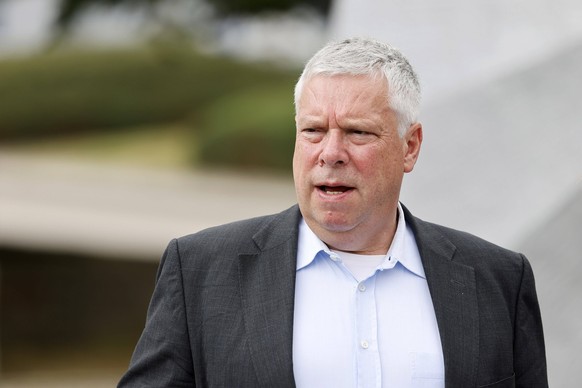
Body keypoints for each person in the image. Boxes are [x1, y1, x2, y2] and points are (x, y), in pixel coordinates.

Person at [118, 37, 547, 388]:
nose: (330, 153)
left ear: (410, 146)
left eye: (357, 132)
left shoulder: (499, 280)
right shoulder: (200, 270)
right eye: (313, 131)